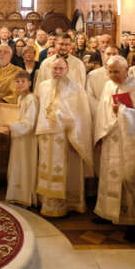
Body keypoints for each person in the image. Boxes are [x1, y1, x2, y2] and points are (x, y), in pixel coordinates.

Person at [93, 55, 135, 241]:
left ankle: (132, 222)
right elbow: (101, 112)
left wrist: (121, 111)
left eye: (117, 72)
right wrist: (99, 136)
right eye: (110, 72)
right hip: (110, 137)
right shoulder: (107, 86)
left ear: (127, 70)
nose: (113, 75)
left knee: (127, 176)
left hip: (130, 142)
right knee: (109, 176)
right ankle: (108, 213)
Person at [35, 57, 93, 217]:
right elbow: (39, 109)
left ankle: (69, 205)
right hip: (46, 136)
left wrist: (77, 136)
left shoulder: (76, 89)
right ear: (50, 69)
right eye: (55, 69)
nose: (58, 72)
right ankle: (46, 203)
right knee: (45, 168)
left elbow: (82, 115)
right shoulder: (43, 86)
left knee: (67, 171)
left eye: (61, 69)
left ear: (68, 70)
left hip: (67, 137)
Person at [2, 70, 39, 207]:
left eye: (23, 81)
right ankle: (16, 196)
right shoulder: (20, 98)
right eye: (17, 82)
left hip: (27, 139)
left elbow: (30, 123)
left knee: (25, 166)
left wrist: (11, 127)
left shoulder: (31, 99)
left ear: (29, 83)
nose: (20, 84)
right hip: (19, 138)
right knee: (17, 165)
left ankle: (26, 198)